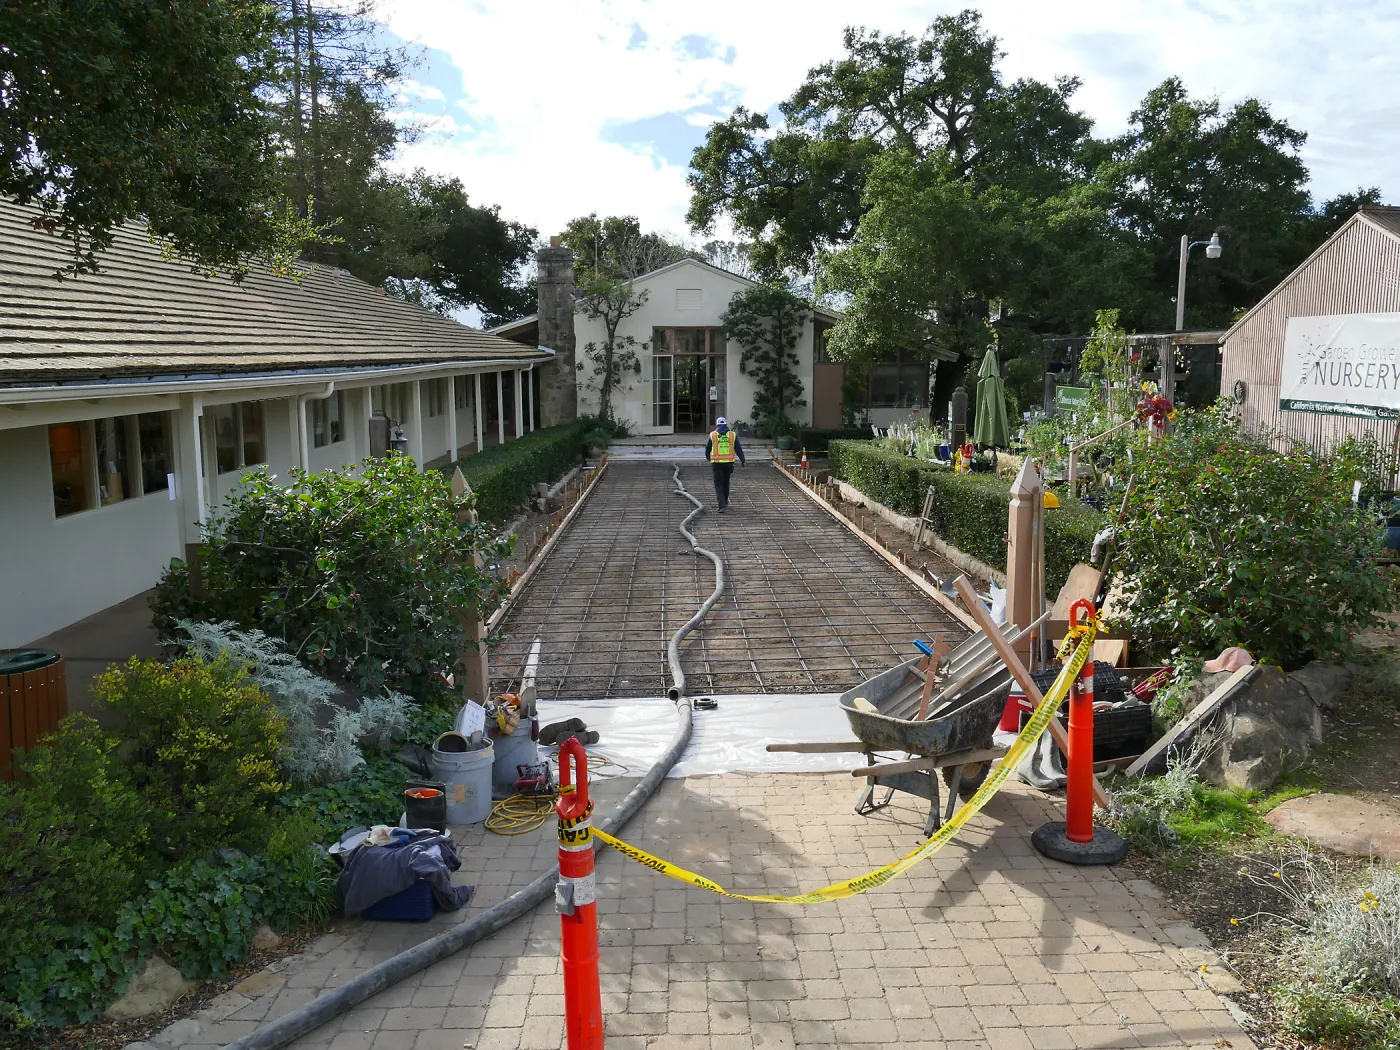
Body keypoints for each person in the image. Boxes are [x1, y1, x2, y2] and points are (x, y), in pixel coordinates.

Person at [704, 416, 745, 512]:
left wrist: (708, 458)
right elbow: (738, 449)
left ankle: (721, 505)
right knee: (726, 483)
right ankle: (725, 501)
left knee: (719, 484)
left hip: (717, 464)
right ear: (726, 425)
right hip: (729, 464)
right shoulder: (732, 435)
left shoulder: (713, 435)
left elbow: (707, 449)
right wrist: (743, 460)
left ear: (717, 425)